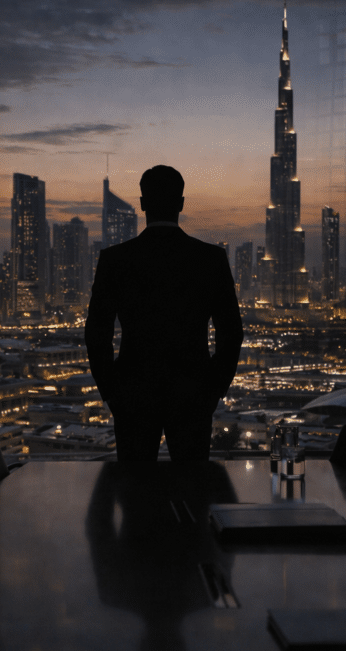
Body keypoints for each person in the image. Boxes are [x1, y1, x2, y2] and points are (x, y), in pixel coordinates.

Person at [85, 165, 243, 461]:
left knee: (135, 490)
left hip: (133, 393)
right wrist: (214, 389)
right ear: (181, 203)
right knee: (192, 489)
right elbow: (231, 332)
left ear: (143, 203)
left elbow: (97, 333)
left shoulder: (115, 260)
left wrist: (111, 390)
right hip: (193, 393)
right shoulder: (210, 259)